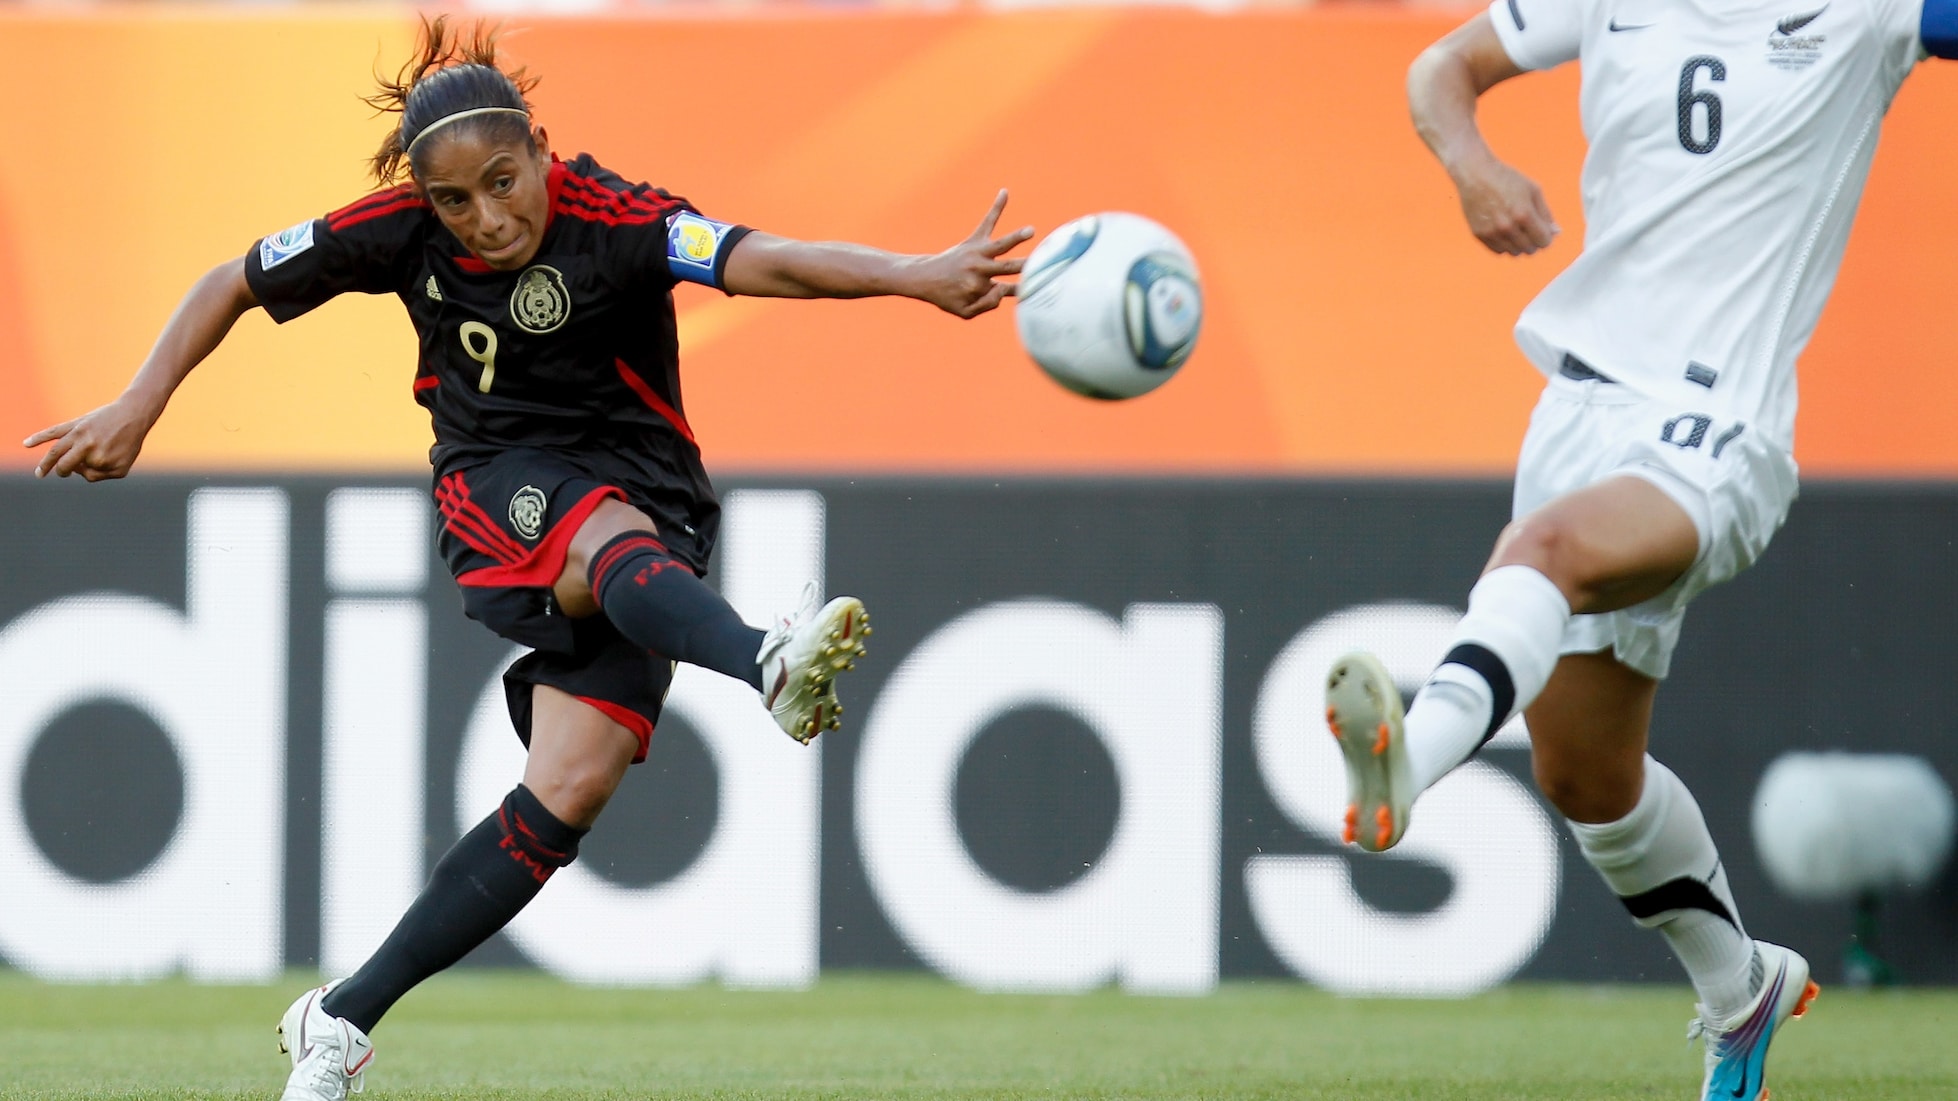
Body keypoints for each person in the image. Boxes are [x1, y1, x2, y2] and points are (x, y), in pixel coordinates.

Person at [23, 17, 1028, 1101]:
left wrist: (916, 275)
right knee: (603, 538)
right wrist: (139, 403)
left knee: (569, 785)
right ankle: (763, 662)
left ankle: (342, 1018)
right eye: (455, 201)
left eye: (503, 182)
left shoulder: (619, 218)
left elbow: (757, 257)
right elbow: (232, 278)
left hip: (652, 493)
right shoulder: (399, 227)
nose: (485, 219)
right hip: (498, 477)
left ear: (541, 148)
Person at [1326, 0, 1953, 1098]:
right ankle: (1740, 988)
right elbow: (1441, 67)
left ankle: (1407, 766)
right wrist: (1468, 163)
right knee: (1584, 774)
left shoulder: (1865, 14)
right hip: (1576, 410)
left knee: (1546, 548)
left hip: (1723, 427)